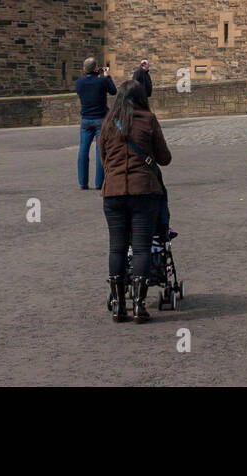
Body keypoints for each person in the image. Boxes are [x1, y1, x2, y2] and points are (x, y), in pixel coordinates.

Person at [99, 79, 173, 324]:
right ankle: (140, 307)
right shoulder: (148, 120)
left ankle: (119, 306)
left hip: (114, 193)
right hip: (144, 192)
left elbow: (103, 160)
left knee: (117, 248)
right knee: (141, 248)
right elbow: (164, 158)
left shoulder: (109, 122)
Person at [75, 57, 117, 190]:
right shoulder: (102, 81)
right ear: (95, 68)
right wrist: (107, 76)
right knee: (100, 151)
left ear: (84, 69)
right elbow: (113, 91)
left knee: (83, 149)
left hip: (86, 119)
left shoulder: (79, 83)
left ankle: (83, 182)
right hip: (100, 119)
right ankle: (99, 183)